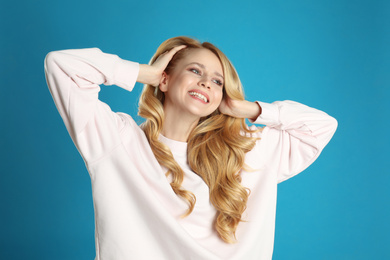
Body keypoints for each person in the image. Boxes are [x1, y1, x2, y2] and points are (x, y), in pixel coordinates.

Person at [44, 36, 337, 260]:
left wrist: (249, 109)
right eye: (195, 70)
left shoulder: (246, 151)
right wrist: (143, 74)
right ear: (166, 79)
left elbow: (321, 126)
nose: (206, 83)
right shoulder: (117, 141)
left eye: (217, 81)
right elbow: (61, 65)